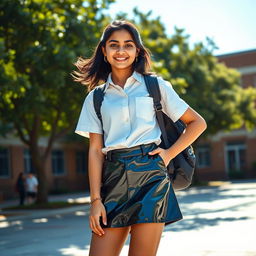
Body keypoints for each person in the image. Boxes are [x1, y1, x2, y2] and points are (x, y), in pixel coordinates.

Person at [72, 20, 207, 256]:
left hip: (151, 178)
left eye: (128, 45)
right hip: (112, 177)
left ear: (137, 52)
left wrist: (167, 154)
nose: (121, 51)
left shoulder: (156, 86)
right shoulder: (95, 98)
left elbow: (197, 123)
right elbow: (95, 151)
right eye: (114, 45)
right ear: (104, 51)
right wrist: (95, 201)